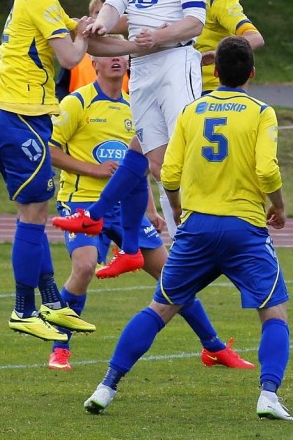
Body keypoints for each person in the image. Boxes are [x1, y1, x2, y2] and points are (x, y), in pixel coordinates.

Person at [84, 36, 290, 419]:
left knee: (158, 309)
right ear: (252, 73)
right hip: (243, 228)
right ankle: (268, 395)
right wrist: (278, 206)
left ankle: (106, 386)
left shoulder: (192, 112)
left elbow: (170, 170)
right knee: (273, 313)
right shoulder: (261, 112)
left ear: (214, 71)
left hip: (196, 229)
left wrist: (177, 209)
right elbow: (266, 169)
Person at [48, 53, 253, 372]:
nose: (116, 60)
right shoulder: (77, 102)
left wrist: (152, 210)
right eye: (107, 55)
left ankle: (213, 347)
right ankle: (60, 346)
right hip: (83, 203)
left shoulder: (136, 105)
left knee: (173, 277)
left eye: (121, 55)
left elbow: (137, 164)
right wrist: (94, 169)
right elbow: (49, 150)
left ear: (129, 63)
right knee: (86, 265)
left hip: (128, 210)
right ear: (94, 63)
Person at [0, 0, 137, 343]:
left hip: (20, 118)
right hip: (18, 117)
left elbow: (97, 42)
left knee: (35, 213)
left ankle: (52, 302)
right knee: (32, 216)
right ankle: (23, 309)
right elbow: (73, 55)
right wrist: (84, 35)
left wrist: (150, 42)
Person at [53, 0, 207, 274]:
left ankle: (202, 227)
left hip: (175, 63)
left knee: (181, 152)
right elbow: (113, 7)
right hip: (142, 70)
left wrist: (158, 34)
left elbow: (194, 22)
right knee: (156, 163)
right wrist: (99, 25)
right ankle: (158, 238)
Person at [197, 0, 264, 94]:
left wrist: (220, 54)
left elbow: (254, 37)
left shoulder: (217, 0)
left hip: (212, 89)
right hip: (171, 86)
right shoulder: (165, 1)